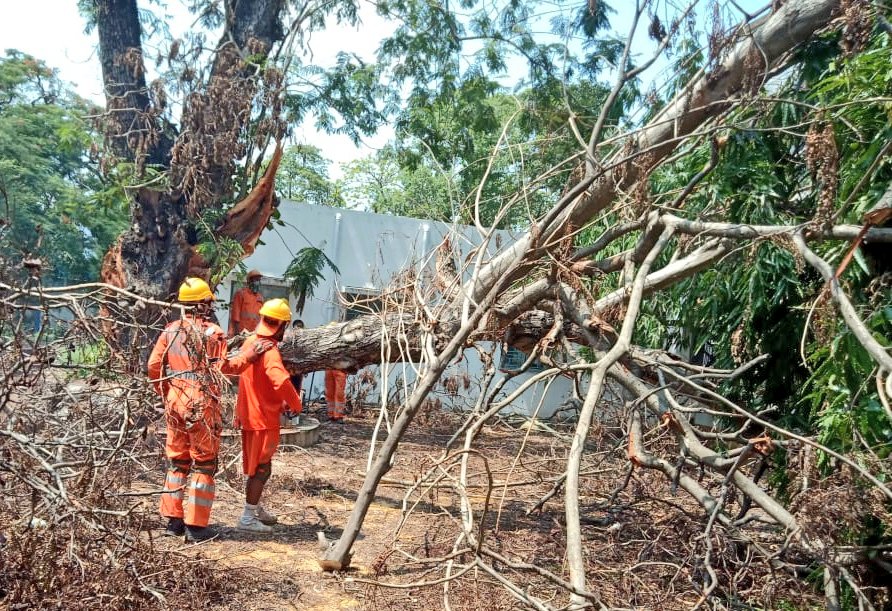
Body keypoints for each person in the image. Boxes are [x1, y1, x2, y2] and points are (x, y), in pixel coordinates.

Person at [147, 278, 268, 543]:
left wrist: (167, 393)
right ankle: (196, 526)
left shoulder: (169, 331)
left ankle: (173, 522)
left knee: (177, 461)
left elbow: (153, 366)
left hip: (175, 399)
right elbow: (225, 367)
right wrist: (249, 355)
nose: (212, 306)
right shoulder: (212, 333)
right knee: (204, 463)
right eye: (209, 302)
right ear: (202, 304)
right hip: (200, 402)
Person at [234, 298, 303, 533]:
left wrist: (280, 402)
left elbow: (253, 381)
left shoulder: (251, 342)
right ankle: (247, 516)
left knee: (259, 467)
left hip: (250, 414)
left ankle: (254, 507)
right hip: (262, 419)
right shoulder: (270, 350)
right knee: (262, 469)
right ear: (282, 325)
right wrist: (295, 402)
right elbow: (280, 379)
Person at [228, 269, 264, 335]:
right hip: (241, 332)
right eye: (256, 280)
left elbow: (262, 318)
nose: (258, 283)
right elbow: (235, 316)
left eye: (259, 280)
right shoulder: (241, 294)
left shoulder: (260, 297)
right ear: (249, 281)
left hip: (254, 334)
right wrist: (238, 334)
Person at [288, 320, 305, 399]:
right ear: (293, 328)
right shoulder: (288, 338)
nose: (298, 329)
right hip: (289, 370)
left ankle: (294, 409)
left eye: (300, 327)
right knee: (288, 388)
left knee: (297, 389)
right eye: (297, 327)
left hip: (299, 370)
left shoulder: (305, 341)